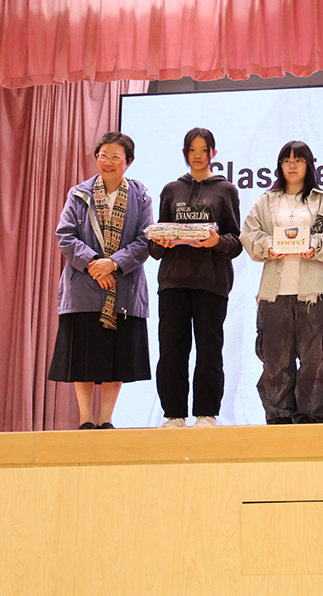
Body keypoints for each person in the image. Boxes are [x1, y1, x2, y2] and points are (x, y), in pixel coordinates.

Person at [48, 132, 153, 429]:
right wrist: (95, 263)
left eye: (115, 157)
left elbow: (145, 240)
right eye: (103, 155)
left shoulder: (141, 196)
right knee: (82, 356)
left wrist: (114, 264)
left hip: (123, 287)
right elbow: (65, 235)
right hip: (84, 287)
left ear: (128, 162)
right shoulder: (78, 194)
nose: (107, 162)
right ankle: (86, 418)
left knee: (115, 357)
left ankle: (106, 419)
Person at [240, 141, 323, 424]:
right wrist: (269, 246)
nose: (292, 165)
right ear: (280, 166)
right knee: (275, 364)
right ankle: (279, 423)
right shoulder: (266, 201)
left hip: (315, 294)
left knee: (315, 363)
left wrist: (314, 245)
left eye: (299, 160)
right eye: (286, 160)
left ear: (309, 165)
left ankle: (312, 421)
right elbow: (248, 235)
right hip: (274, 295)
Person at [148, 128, 242, 428]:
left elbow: (235, 242)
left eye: (203, 150)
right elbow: (155, 246)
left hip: (211, 283)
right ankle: (173, 415)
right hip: (173, 282)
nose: (198, 155)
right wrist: (160, 241)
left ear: (213, 153)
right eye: (192, 150)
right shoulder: (171, 190)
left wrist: (217, 242)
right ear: (185, 153)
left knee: (209, 350)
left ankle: (206, 413)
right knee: (171, 351)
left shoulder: (226, 190)